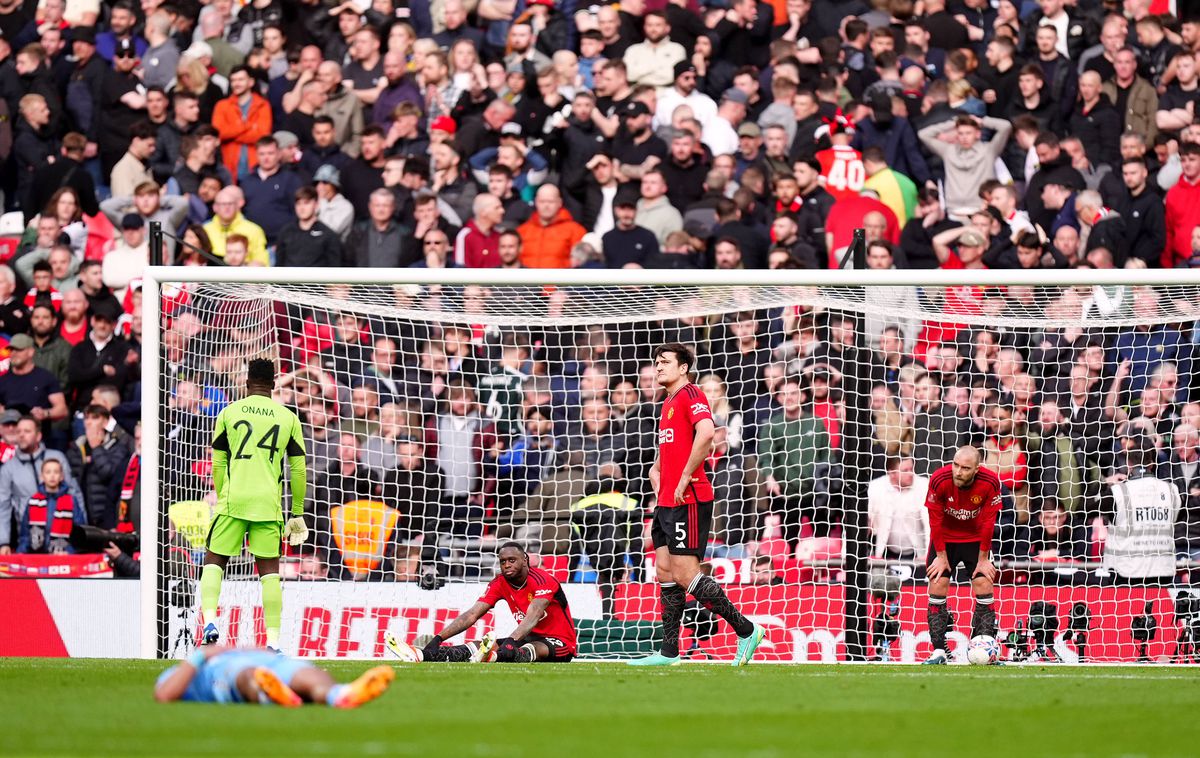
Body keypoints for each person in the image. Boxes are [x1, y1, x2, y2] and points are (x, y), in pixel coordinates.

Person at [629, 343, 764, 667]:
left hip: (688, 497)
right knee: (663, 570)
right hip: (667, 500)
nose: (658, 367)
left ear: (683, 368)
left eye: (664, 362)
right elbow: (671, 442)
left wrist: (686, 475)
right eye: (656, 362)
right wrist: (656, 467)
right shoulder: (667, 403)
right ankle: (669, 651)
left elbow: (706, 433)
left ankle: (747, 630)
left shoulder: (691, 395)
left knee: (686, 572)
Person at [199, 359, 307, 651]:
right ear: (273, 386)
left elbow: (218, 463)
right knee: (270, 571)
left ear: (247, 384)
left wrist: (224, 496)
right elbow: (297, 470)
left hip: (234, 500)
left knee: (214, 560)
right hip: (268, 505)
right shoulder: (288, 418)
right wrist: (297, 512)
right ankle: (272, 642)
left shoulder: (228, 413)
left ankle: (210, 620)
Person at [384, 542, 578, 663]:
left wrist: (511, 641)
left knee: (531, 649)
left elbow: (534, 614)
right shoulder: (499, 583)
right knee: (478, 645)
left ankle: (495, 655)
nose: (507, 565)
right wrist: (438, 638)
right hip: (527, 637)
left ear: (525, 560)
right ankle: (423, 655)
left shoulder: (544, 580)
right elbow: (472, 614)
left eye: (512, 560)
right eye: (503, 561)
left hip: (561, 643)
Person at [922, 445, 1003, 665]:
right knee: (937, 583)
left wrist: (983, 559)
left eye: (965, 468)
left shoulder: (990, 482)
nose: (958, 471)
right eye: (956, 465)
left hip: (975, 540)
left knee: (985, 585)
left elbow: (988, 522)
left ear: (977, 469)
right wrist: (940, 556)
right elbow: (934, 520)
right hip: (945, 540)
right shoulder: (939, 479)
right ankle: (939, 651)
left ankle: (984, 646)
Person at [154, 646, 393, 708]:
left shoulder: (230, 653)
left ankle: (339, 694)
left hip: (272, 662)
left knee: (306, 673)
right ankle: (269, 693)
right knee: (248, 676)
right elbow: (164, 694)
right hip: (230, 674)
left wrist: (250, 649)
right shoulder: (188, 670)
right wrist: (200, 656)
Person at [1102, 442, 1180, 585]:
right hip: (1162, 569)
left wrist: (1103, 482)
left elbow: (1081, 509)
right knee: (1159, 608)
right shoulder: (1172, 490)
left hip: (1126, 571)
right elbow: (1177, 519)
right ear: (1152, 464)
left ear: (1128, 464)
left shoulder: (1117, 492)